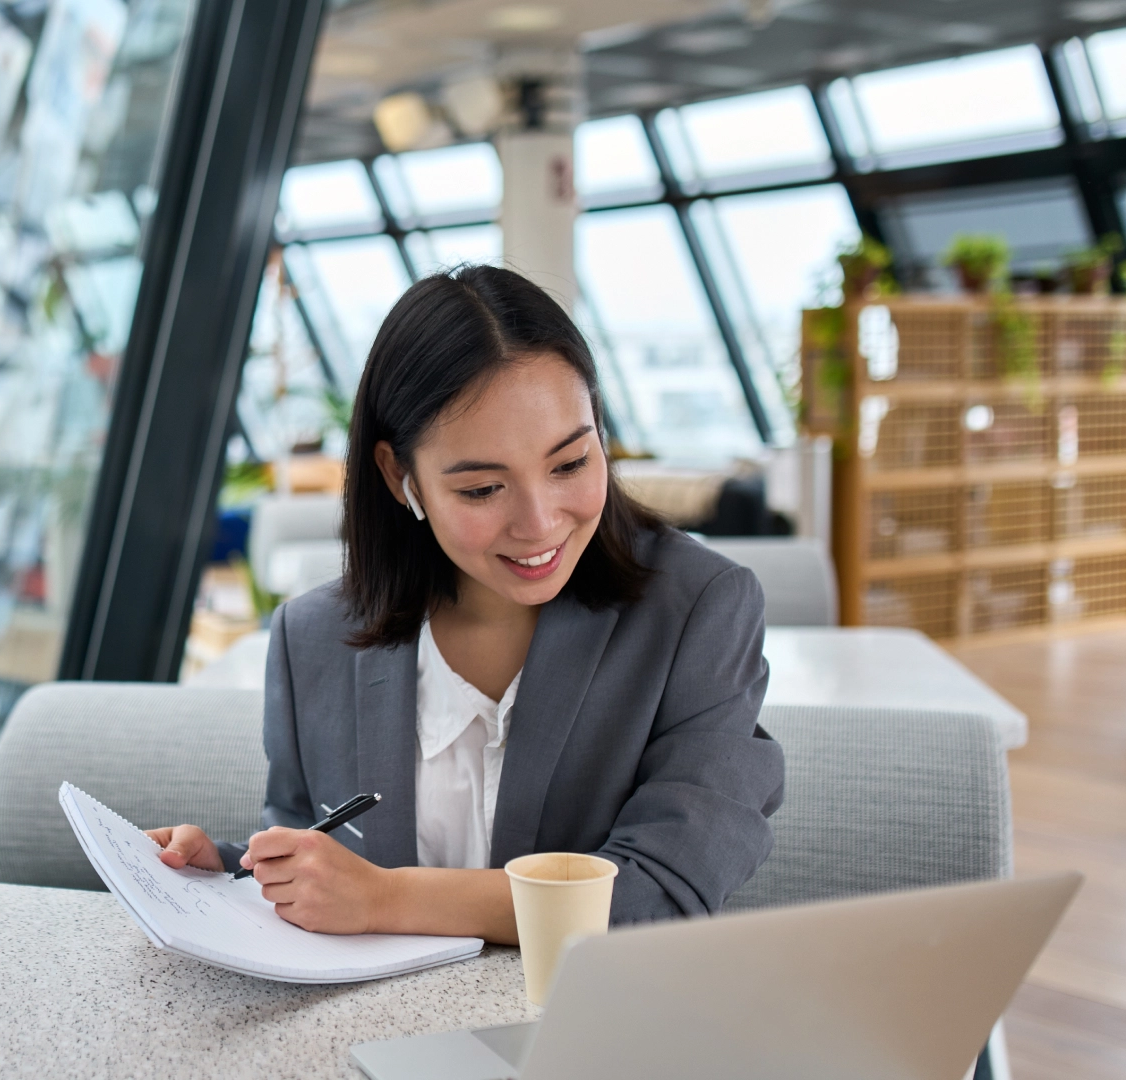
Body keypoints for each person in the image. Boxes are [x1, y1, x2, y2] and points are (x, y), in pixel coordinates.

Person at [147, 266, 785, 944]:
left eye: (570, 463)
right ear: (400, 477)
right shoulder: (314, 638)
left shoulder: (699, 611)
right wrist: (227, 876)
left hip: (589, 1032)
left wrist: (387, 899)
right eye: (483, 489)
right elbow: (318, 855)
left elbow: (661, 894)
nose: (539, 523)